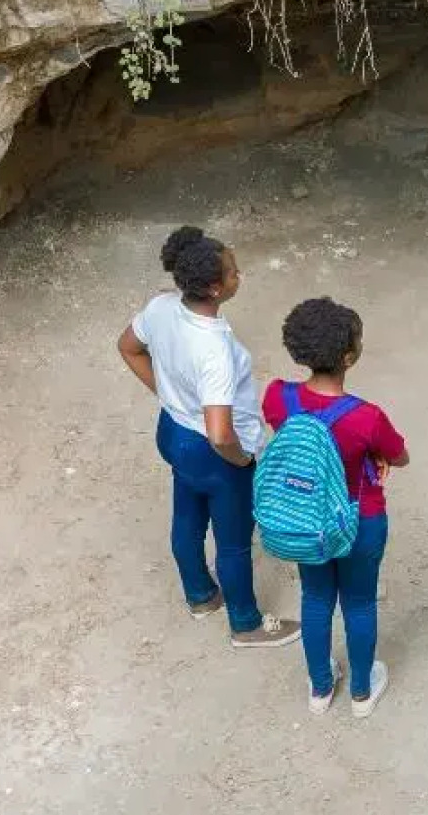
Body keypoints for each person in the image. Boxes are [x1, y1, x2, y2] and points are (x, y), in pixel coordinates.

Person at [117, 226, 299, 648]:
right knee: (234, 543)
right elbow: (220, 432)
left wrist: (168, 394)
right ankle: (246, 624)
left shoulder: (162, 307)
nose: (240, 275)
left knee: (187, 514)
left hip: (173, 431)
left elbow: (127, 346)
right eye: (234, 272)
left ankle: (200, 595)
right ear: (216, 289)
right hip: (211, 450)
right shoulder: (213, 347)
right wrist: (240, 460)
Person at [262, 298, 409, 717]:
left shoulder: (277, 397)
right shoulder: (366, 417)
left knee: (315, 597)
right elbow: (399, 456)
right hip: (359, 520)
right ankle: (362, 691)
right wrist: (375, 456)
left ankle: (320, 688)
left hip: (305, 520)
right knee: (360, 602)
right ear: (349, 356)